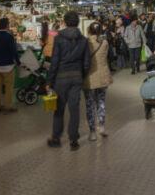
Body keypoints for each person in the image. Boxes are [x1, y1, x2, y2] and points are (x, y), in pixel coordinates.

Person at [47, 11, 91, 150]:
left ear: (65, 23)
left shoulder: (59, 38)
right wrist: (81, 76)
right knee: (74, 110)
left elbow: (54, 61)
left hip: (61, 78)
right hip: (76, 77)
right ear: (77, 22)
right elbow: (86, 62)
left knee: (59, 110)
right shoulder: (83, 40)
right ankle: (73, 140)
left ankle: (56, 138)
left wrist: (49, 81)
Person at [84, 22, 112, 141]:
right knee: (101, 102)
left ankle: (92, 132)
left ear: (89, 31)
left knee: (90, 104)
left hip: (90, 77)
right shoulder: (105, 42)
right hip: (103, 76)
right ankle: (102, 127)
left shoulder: (86, 43)